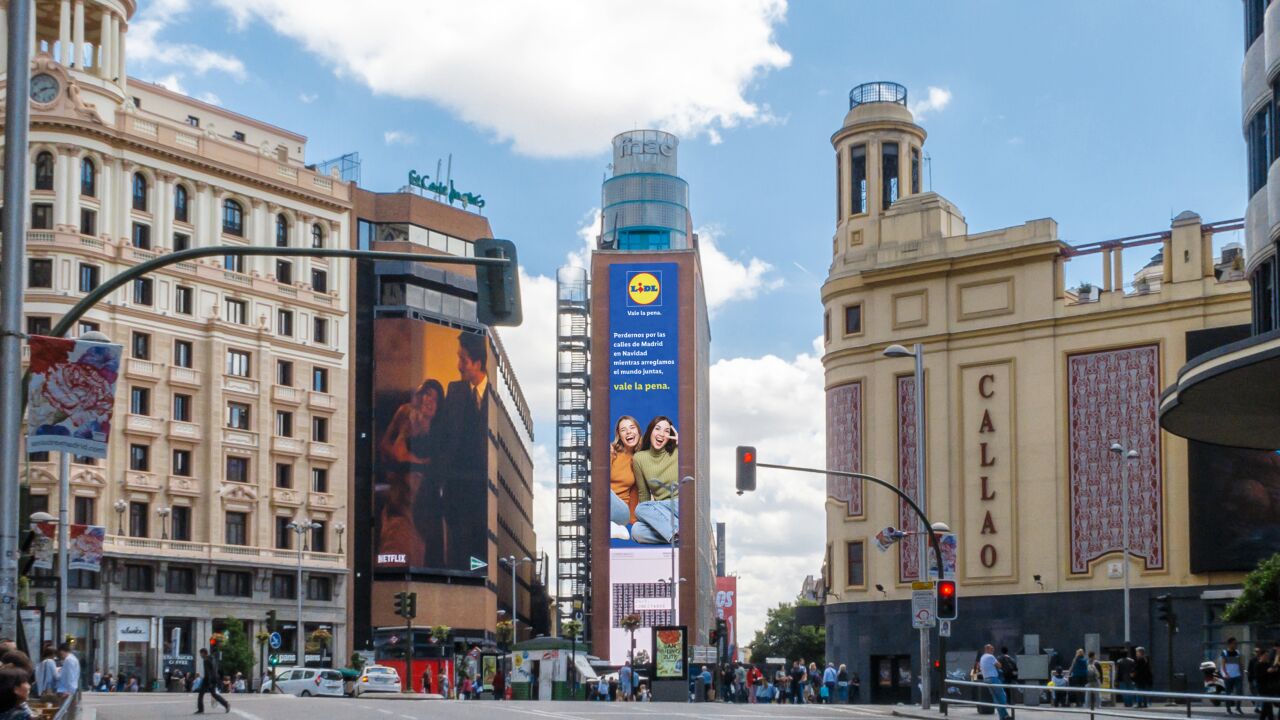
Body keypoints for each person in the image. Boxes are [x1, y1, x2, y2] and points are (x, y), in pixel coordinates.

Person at [424, 333, 490, 569]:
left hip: (484, 496)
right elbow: (441, 437)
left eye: (463, 359)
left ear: (478, 363)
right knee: (457, 557)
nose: (458, 366)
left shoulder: (496, 396)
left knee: (479, 560)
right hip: (455, 493)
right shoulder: (455, 391)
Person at [630, 417, 680, 544]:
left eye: (667, 431)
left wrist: (685, 447)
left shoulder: (679, 451)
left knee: (640, 508)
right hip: (661, 511)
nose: (662, 434)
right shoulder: (639, 458)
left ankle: (675, 532)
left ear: (670, 436)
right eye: (657, 429)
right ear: (650, 431)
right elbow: (643, 493)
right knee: (636, 530)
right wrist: (650, 518)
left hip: (682, 506)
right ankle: (679, 534)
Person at [610, 416, 642, 527]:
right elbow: (599, 482)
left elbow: (634, 492)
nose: (628, 432)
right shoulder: (611, 451)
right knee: (603, 491)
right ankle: (611, 527)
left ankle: (614, 526)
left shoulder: (639, 459)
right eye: (623, 430)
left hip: (621, 511)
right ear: (619, 435)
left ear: (638, 431)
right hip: (604, 503)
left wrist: (633, 521)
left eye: (632, 427)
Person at [980, 644, 1009, 720]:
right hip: (993, 679)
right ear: (986, 649)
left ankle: (1003, 717)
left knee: (996, 699)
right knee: (1002, 696)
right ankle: (1005, 715)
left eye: (993, 649)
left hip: (986, 679)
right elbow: (999, 666)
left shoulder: (982, 657)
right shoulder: (990, 657)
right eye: (991, 649)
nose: (993, 650)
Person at [194, 648, 228, 714]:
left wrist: (211, 681)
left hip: (211, 679)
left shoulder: (209, 659)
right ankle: (200, 709)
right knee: (201, 694)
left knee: (214, 694)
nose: (200, 655)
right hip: (206, 679)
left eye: (201, 653)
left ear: (204, 653)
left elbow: (213, 671)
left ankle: (226, 704)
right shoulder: (206, 660)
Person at [1221, 636, 1245, 715]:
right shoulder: (1224, 652)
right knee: (1228, 693)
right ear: (1230, 644)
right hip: (1228, 676)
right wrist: (1226, 674)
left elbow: (1240, 663)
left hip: (1237, 675)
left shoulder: (1237, 652)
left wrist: (1242, 673)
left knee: (1239, 691)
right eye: (1234, 643)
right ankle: (1228, 709)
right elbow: (1223, 665)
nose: (1235, 645)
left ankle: (1238, 707)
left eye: (1236, 643)